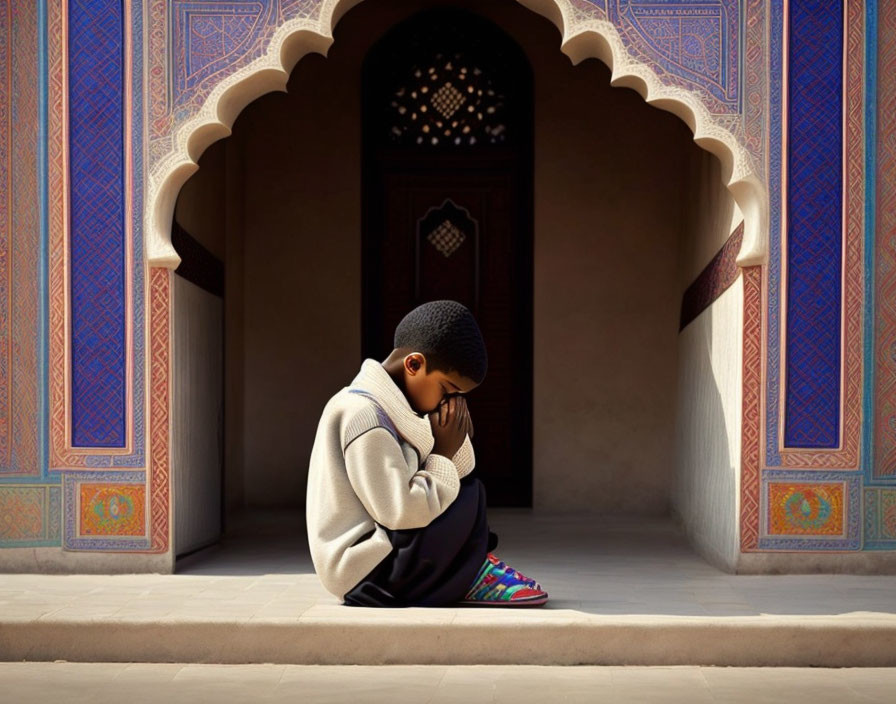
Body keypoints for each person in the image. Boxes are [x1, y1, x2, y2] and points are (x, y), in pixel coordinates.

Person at [305, 299, 548, 607]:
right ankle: (470, 576)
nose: (450, 402)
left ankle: (472, 571)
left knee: (468, 493)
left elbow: (458, 474)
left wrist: (452, 440)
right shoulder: (362, 415)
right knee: (466, 498)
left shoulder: (396, 408)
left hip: (386, 556)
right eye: (447, 391)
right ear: (414, 365)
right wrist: (444, 454)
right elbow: (401, 511)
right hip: (366, 571)